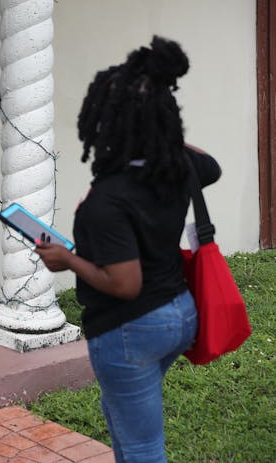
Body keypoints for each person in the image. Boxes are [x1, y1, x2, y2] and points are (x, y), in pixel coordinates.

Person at [34, 36, 221, 462]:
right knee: (123, 415)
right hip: (179, 315)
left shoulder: (108, 200)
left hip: (132, 327)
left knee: (142, 448)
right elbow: (211, 164)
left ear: (108, 124)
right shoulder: (177, 169)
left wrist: (67, 260)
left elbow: (124, 283)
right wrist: (163, 131)